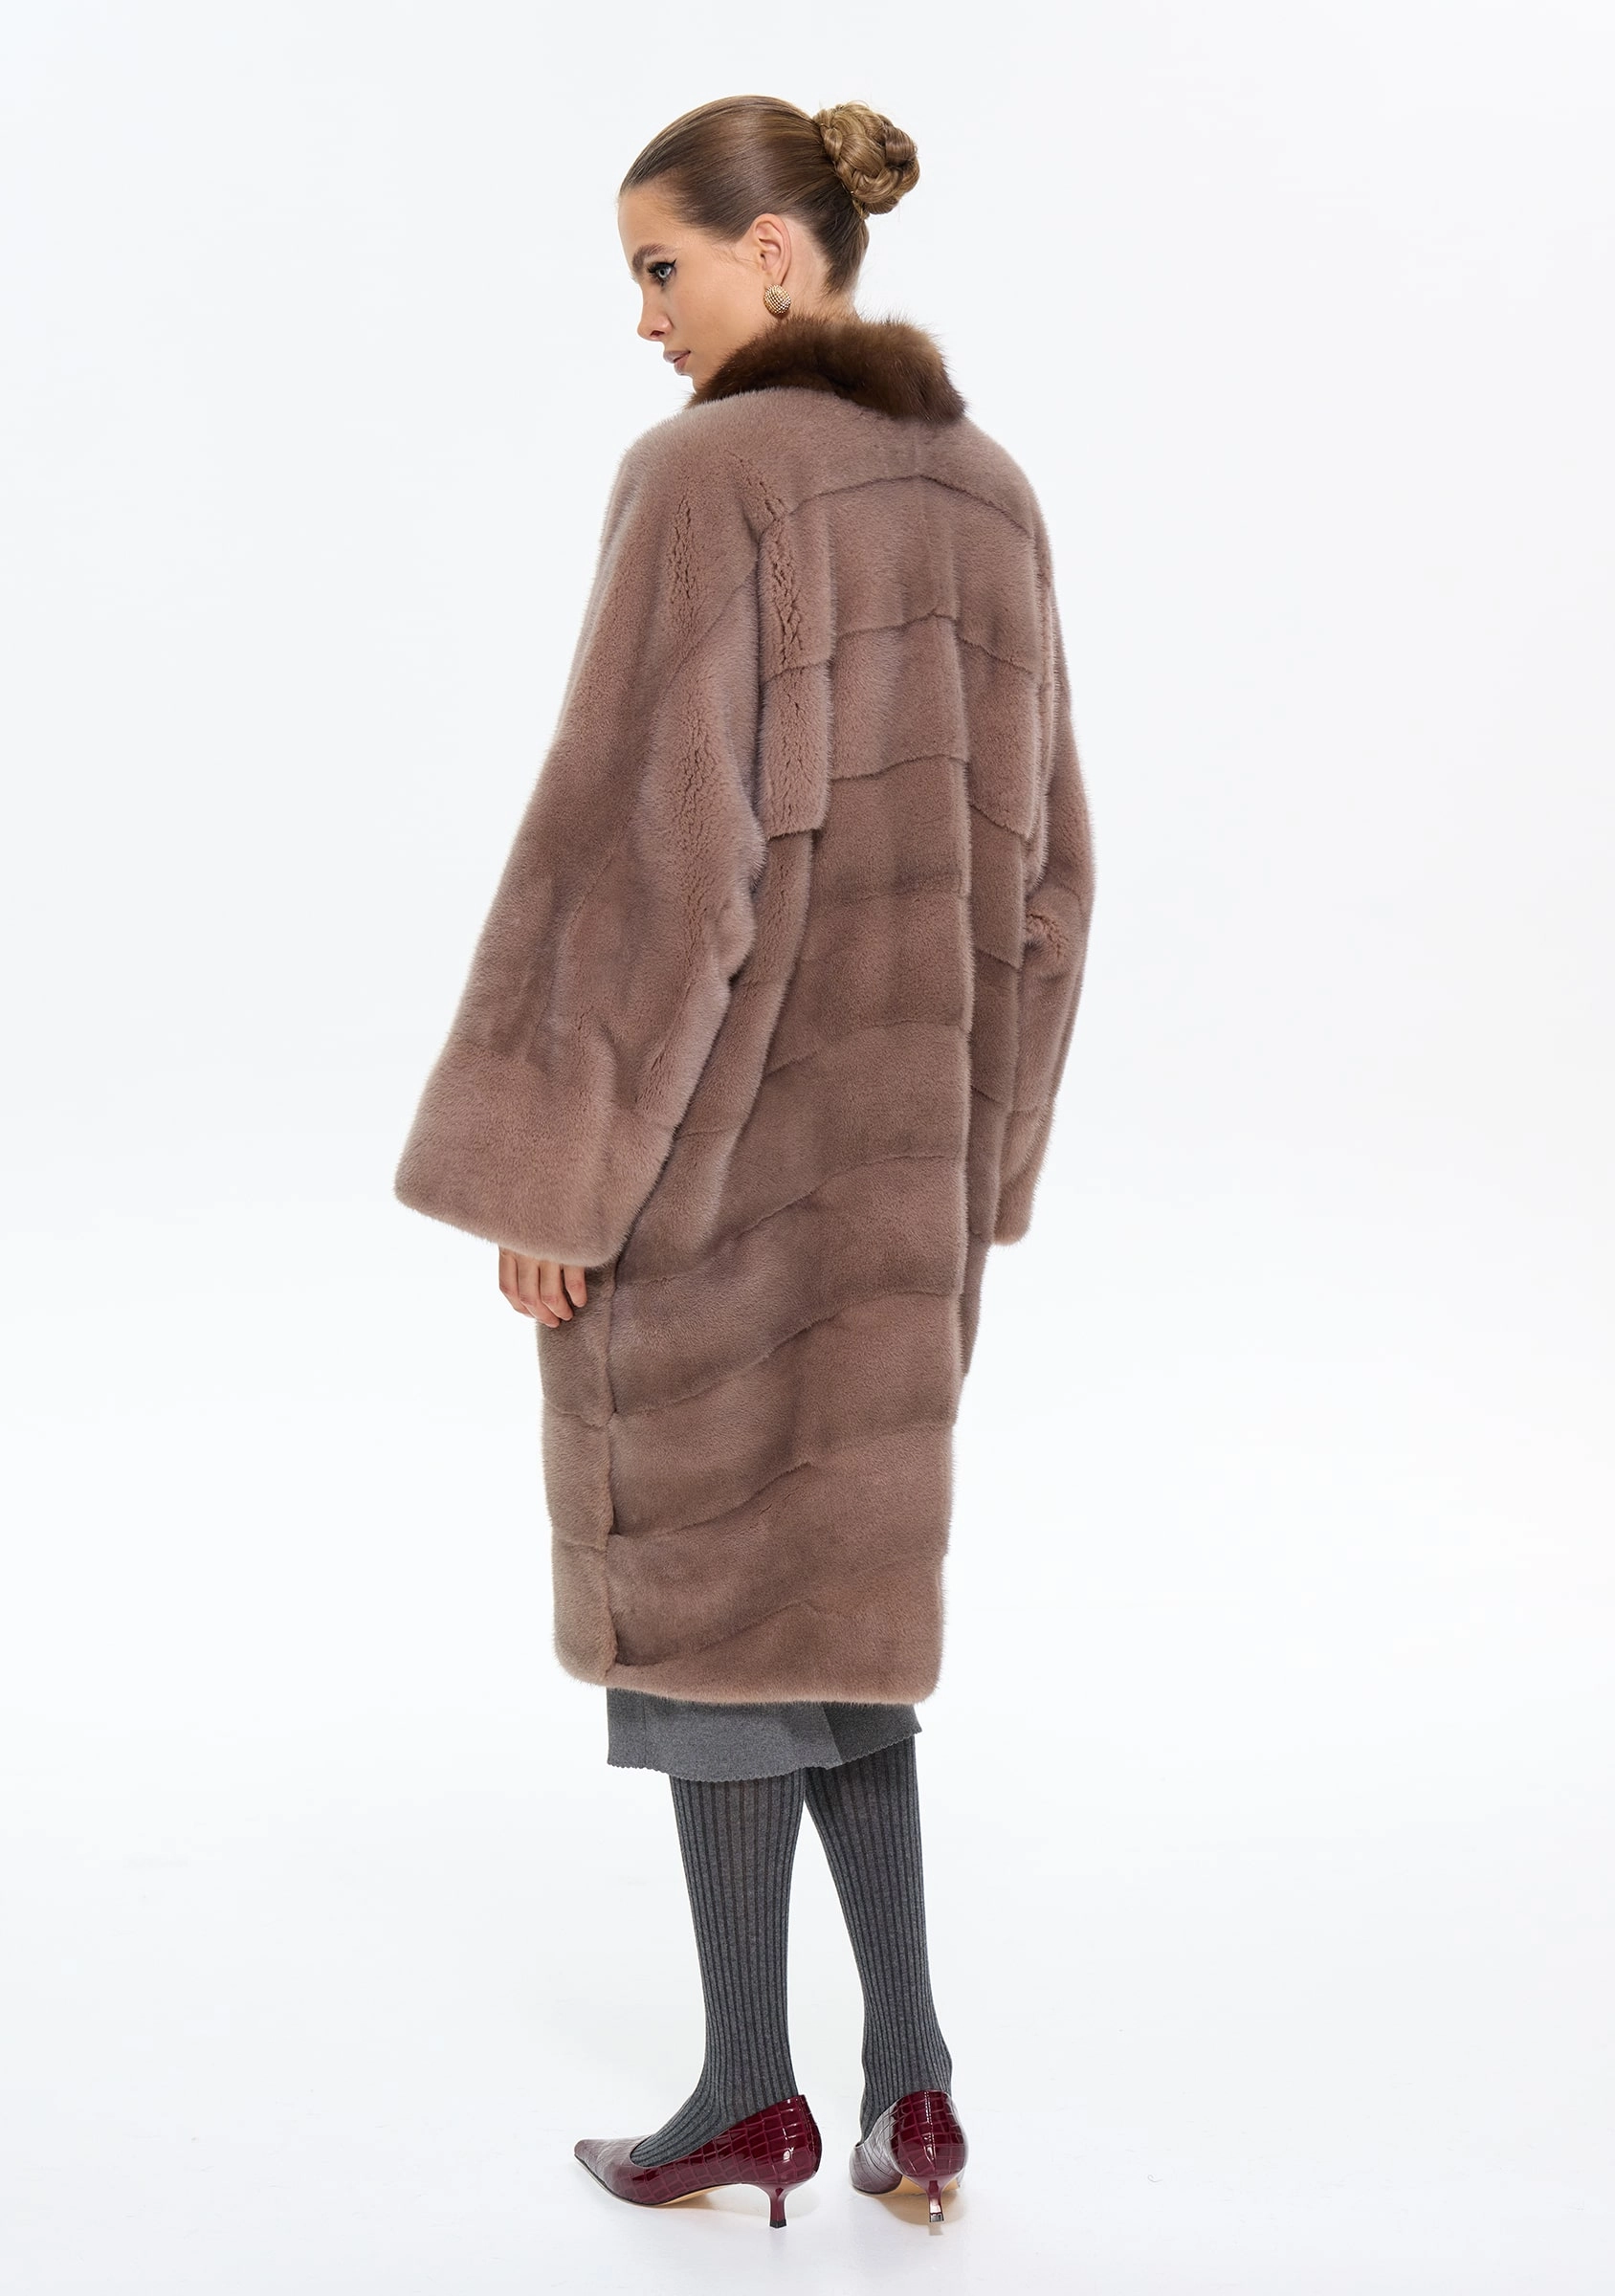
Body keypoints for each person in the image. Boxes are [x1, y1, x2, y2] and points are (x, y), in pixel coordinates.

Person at [393, 94, 1095, 2231]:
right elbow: (1054, 883)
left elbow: (640, 851)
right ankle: (918, 2096)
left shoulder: (707, 480)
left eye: (661, 268)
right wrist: (977, 1173)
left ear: (775, 256)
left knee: (708, 1632)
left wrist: (553, 1174)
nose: (643, 320)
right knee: (844, 1629)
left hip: (710, 1166)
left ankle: (746, 2095)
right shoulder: (991, 498)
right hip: (897, 1186)